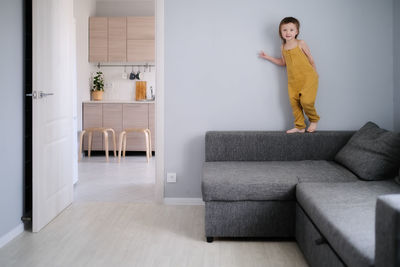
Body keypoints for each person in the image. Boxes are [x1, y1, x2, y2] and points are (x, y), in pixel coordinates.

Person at [259, 17, 320, 133]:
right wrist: (267, 57)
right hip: (293, 81)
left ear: (296, 32)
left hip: (308, 78)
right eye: (285, 30)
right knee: (295, 104)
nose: (288, 32)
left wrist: (315, 73)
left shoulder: (300, 43)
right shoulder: (283, 47)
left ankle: (314, 119)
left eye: (291, 30)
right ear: (280, 32)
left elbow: (311, 59)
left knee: (306, 102)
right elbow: (283, 63)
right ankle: (300, 126)